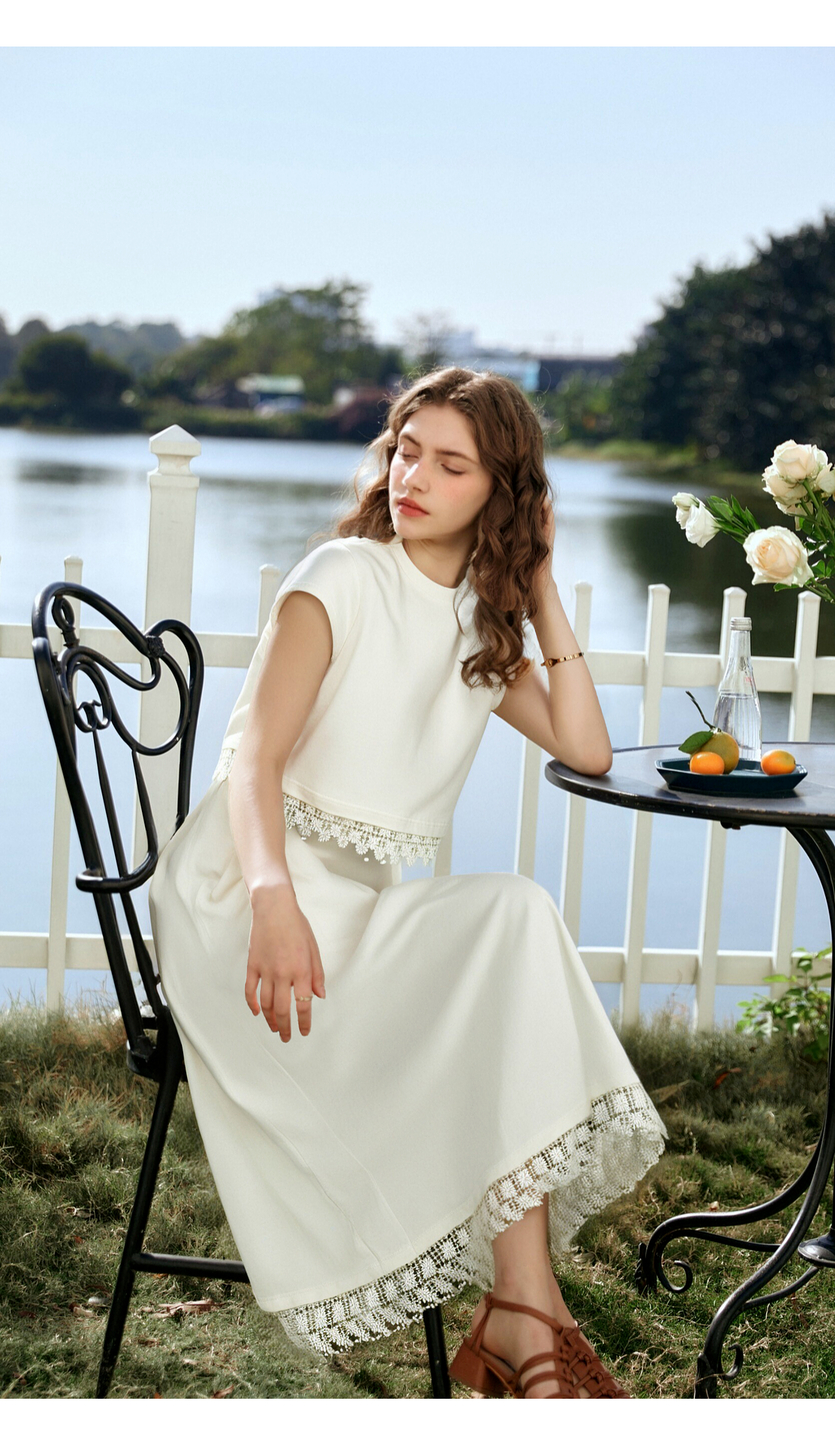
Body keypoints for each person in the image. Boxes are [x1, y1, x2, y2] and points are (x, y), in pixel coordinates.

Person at [149, 367, 666, 1400]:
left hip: (357, 910)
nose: (412, 478)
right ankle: (527, 1329)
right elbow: (252, 765)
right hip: (243, 900)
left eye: (450, 465)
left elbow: (588, 748)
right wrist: (273, 900)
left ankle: (522, 1317)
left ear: (502, 493)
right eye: (405, 451)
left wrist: (540, 586)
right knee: (510, 934)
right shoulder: (341, 577)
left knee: (511, 929)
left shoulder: (480, 623)